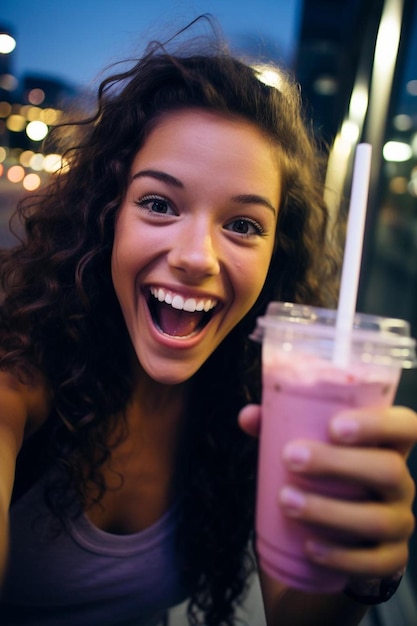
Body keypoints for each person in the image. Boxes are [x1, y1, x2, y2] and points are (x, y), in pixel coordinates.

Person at [0, 16, 416, 626]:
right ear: (108, 216)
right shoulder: (18, 370)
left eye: (243, 225)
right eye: (159, 204)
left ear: (278, 254)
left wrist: (356, 566)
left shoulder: (265, 402)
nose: (196, 257)